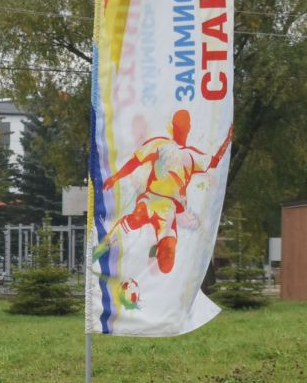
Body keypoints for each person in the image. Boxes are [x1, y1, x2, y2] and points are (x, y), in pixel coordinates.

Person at [98, 109, 232, 274]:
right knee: (138, 216)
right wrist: (116, 177)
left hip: (169, 211)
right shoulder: (160, 145)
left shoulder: (192, 156)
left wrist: (227, 140)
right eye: (178, 123)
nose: (181, 127)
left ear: (188, 127)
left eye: (184, 124)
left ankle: (158, 249)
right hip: (150, 198)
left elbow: (214, 162)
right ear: (173, 126)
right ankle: (109, 239)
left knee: (166, 265)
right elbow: (136, 161)